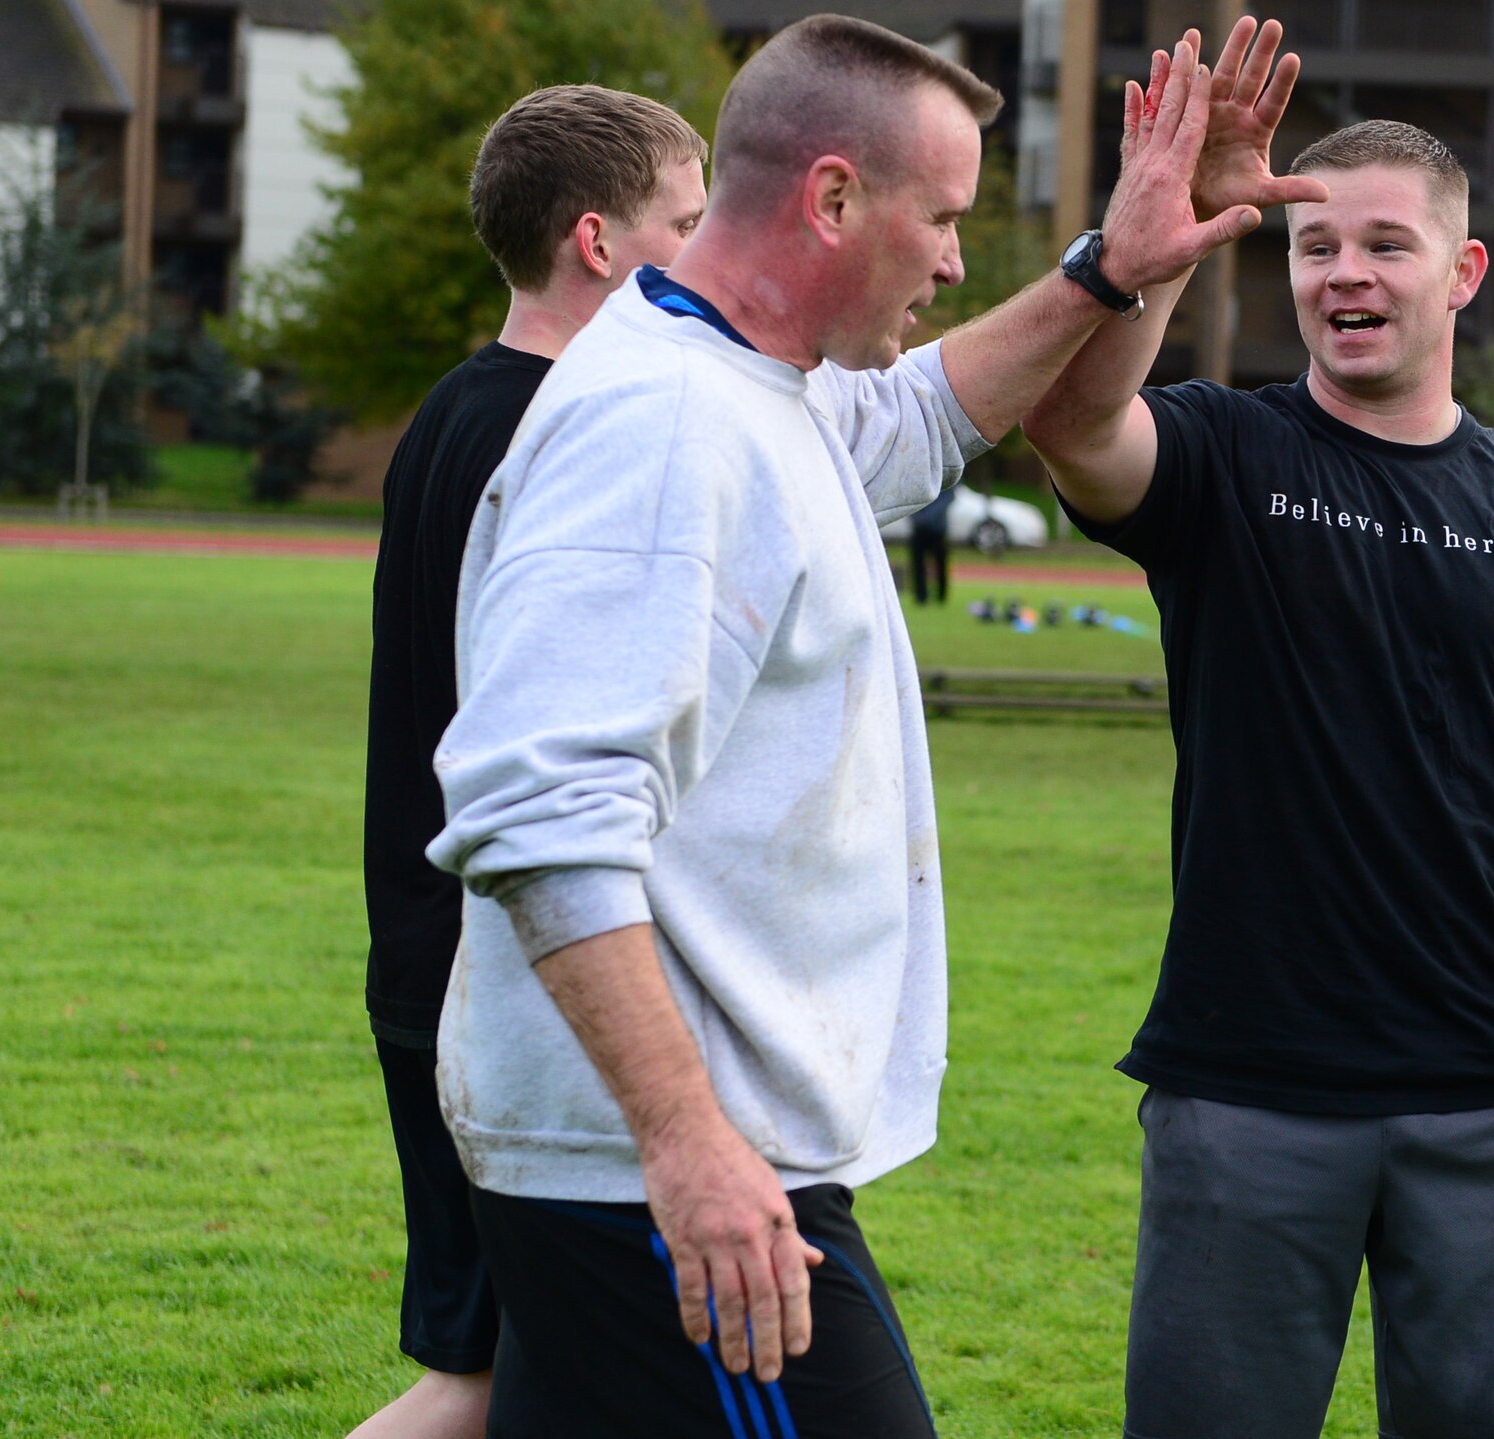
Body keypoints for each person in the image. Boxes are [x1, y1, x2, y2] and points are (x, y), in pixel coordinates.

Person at [422, 15, 1258, 1436]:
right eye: (939, 218)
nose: (950, 259)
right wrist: (690, 1145)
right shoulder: (668, 426)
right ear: (828, 197)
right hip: (665, 1169)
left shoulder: (755, 384)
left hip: (641, 1158)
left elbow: (925, 417)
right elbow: (542, 814)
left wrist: (1111, 271)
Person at [1023, 22, 1494, 1439]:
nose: (1345, 275)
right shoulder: (1225, 454)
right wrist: (1164, 244)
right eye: (1317, 248)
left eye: (1385, 245)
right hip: (1250, 1089)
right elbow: (1074, 421)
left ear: (1463, 271)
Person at [355, 84, 708, 1439]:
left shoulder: (460, 408)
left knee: (526, 1375)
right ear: (600, 243)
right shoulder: (559, 432)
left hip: (449, 962)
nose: (711, 242)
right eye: (687, 217)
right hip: (503, 984)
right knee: (490, 1378)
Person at [908, 485, 957, 604]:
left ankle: (941, 595)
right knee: (918, 563)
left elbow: (948, 497)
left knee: (940, 563)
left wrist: (926, 518)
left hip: (937, 528)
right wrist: (915, 516)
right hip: (919, 529)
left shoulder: (945, 472)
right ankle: (921, 596)